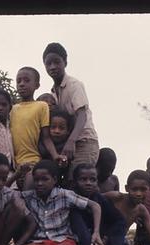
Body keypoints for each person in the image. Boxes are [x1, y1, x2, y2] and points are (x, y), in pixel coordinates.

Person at [43, 42, 100, 179]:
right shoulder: (53, 92)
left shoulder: (74, 85)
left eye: (57, 62)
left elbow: (82, 115)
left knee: (79, 179)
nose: (52, 67)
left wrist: (71, 142)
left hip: (84, 141)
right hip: (68, 142)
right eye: (48, 63)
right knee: (67, 181)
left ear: (65, 62)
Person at [9, 67, 57, 189]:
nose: (21, 84)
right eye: (18, 81)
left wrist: (55, 155)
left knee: (28, 193)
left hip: (32, 162)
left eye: (26, 80)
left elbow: (46, 137)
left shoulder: (41, 106)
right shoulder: (12, 109)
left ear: (37, 85)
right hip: (13, 164)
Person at [38, 108, 74, 185]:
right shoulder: (40, 143)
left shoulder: (69, 148)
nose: (57, 131)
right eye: (53, 127)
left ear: (68, 131)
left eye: (62, 128)